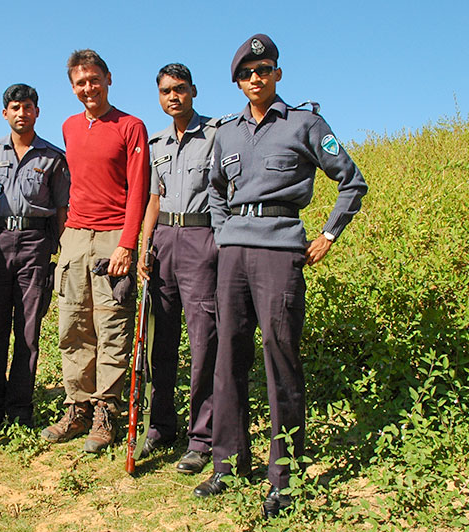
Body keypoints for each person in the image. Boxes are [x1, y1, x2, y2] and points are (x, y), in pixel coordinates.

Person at [196, 34, 368, 518]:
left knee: (281, 358)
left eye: (265, 69)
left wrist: (329, 236)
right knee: (227, 355)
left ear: (277, 73)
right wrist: (222, 234)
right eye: (247, 73)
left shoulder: (306, 123)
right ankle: (228, 465)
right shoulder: (225, 132)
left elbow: (351, 181)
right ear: (237, 80)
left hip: (280, 253)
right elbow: (213, 190)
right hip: (233, 254)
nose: (256, 78)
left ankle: (284, 475)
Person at [40, 49, 150, 453]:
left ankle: (107, 411)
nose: (88, 88)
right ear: (72, 88)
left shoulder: (131, 126)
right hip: (74, 236)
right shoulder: (70, 126)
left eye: (94, 79)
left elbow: (139, 188)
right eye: (80, 83)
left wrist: (127, 242)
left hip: (112, 236)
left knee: (112, 326)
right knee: (73, 325)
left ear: (108, 78)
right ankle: (77, 406)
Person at [0, 84, 70, 436]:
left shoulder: (53, 157)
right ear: (4, 113)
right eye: (15, 107)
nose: (21, 113)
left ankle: (20, 408)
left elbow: (61, 209)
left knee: (28, 330)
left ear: (37, 112)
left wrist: (61, 250)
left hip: (35, 244)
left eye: (28, 106)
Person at [136, 64, 218, 475]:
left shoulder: (218, 135)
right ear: (160, 96)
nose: (174, 96)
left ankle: (201, 438)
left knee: (204, 343)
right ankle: (160, 426)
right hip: (164, 240)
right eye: (166, 90)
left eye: (180, 89)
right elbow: (153, 199)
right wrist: (143, 246)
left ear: (193, 91)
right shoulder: (157, 143)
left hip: (203, 240)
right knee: (160, 342)